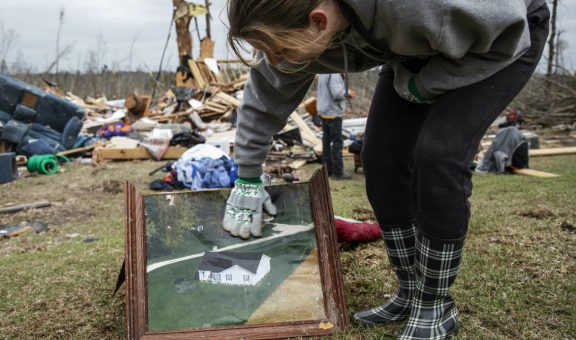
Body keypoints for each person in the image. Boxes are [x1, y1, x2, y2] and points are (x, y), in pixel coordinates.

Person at [221, 0, 549, 338]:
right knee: (379, 158)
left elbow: (509, 31)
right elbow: (266, 93)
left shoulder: (419, 7)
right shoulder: (294, 23)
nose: (276, 61)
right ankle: (410, 291)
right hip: (412, 50)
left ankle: (434, 304)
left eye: (281, 51)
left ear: (319, 21)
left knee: (438, 155)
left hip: (500, 37)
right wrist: (247, 175)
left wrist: (426, 85)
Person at [317, 73, 350, 179]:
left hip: (324, 111)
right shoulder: (334, 73)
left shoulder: (323, 72)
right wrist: (348, 93)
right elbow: (337, 94)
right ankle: (338, 173)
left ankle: (327, 171)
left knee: (326, 143)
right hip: (333, 112)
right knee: (337, 143)